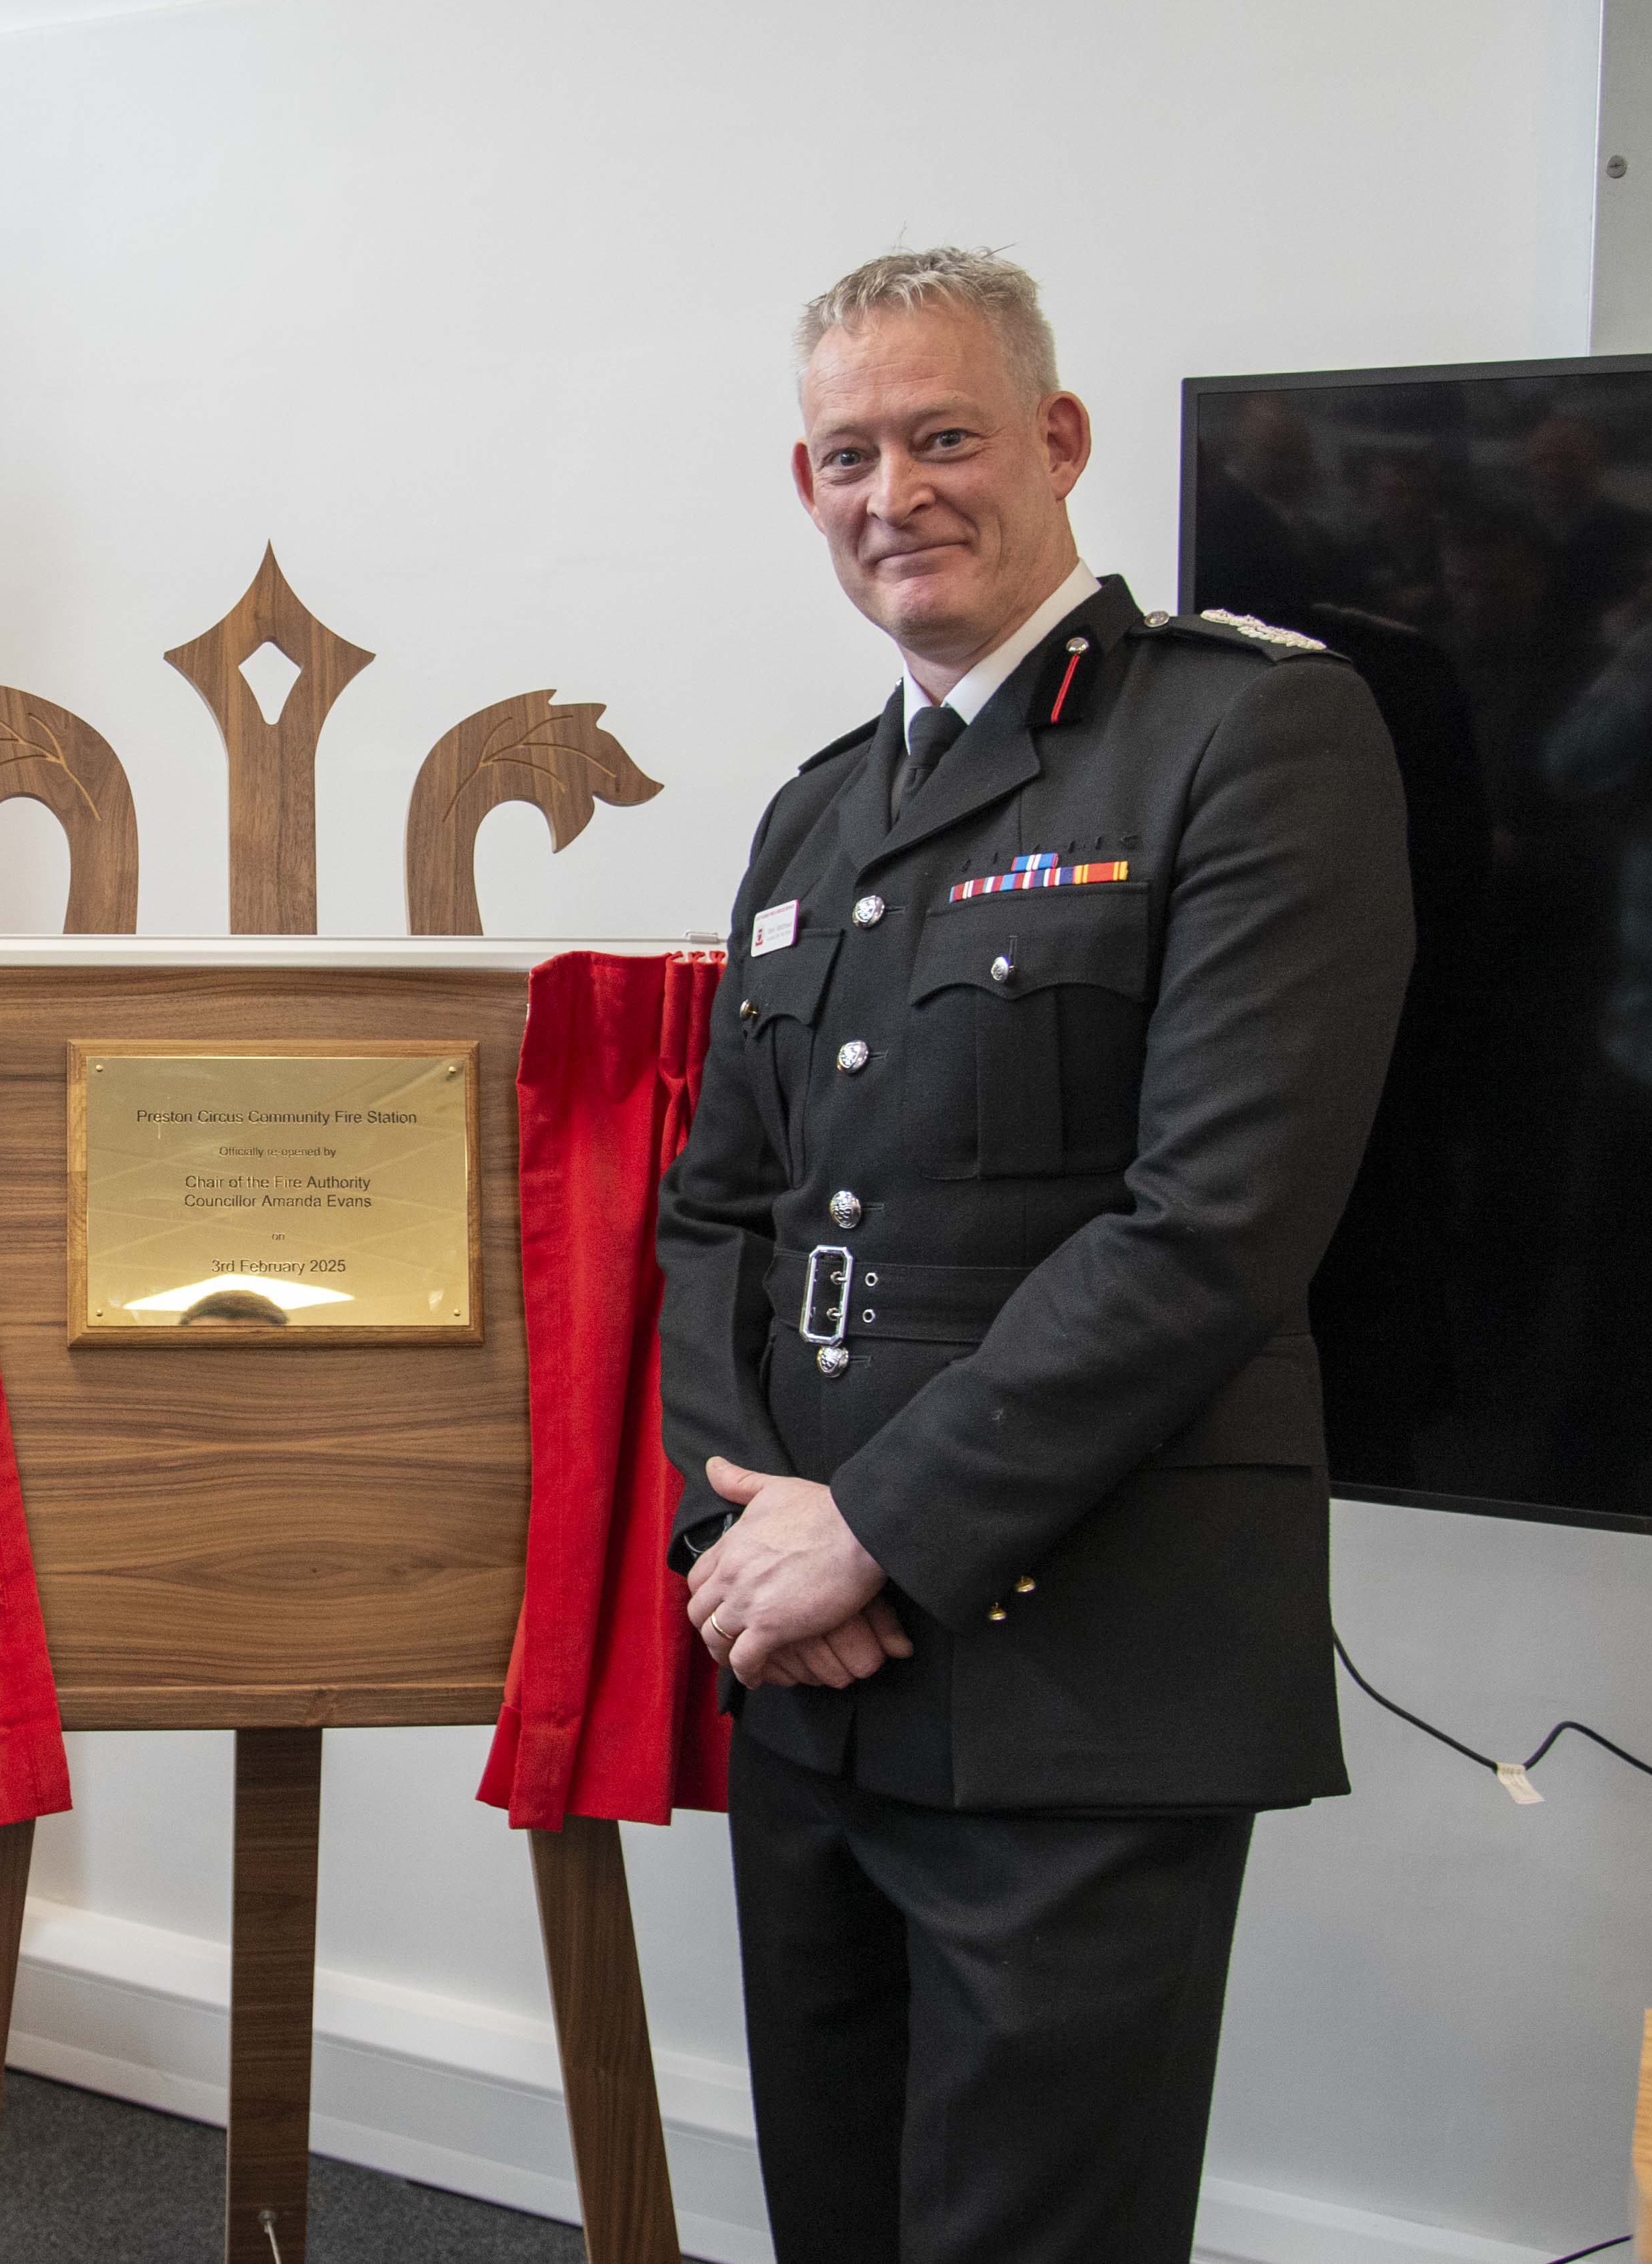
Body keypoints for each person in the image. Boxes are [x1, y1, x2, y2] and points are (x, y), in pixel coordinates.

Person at [659, 250, 1411, 2261]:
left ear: (1057, 441)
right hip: (812, 1670)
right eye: (846, 452)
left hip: (1085, 1662)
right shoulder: (819, 818)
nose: (891, 489)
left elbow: (1213, 1225)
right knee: (839, 2213)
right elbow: (721, 1212)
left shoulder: (1248, 737)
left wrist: (873, 1528)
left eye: (943, 435)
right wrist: (747, 1543)